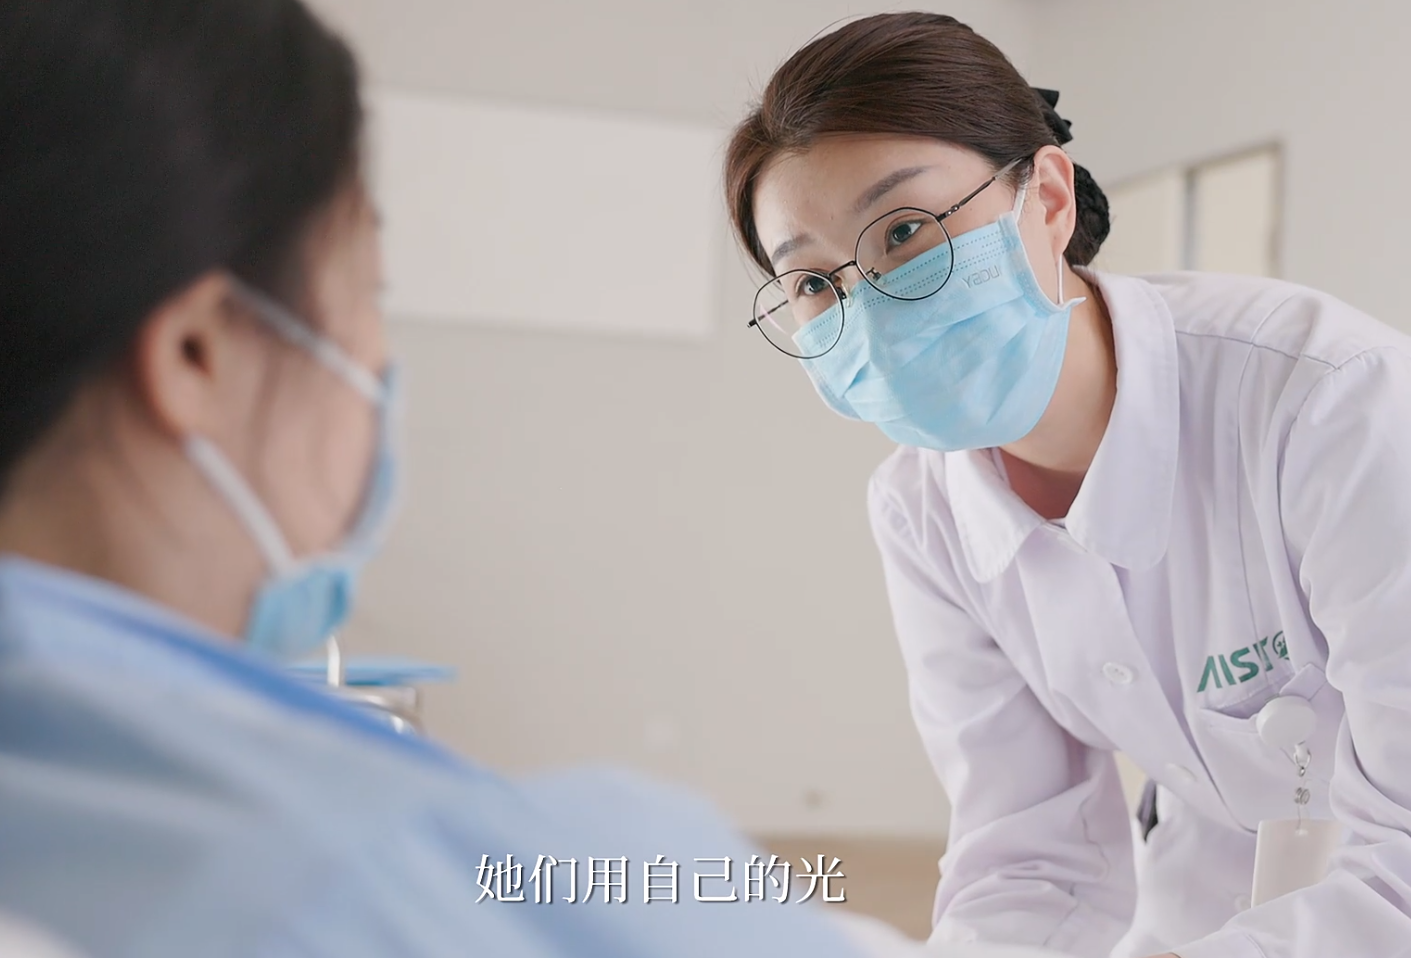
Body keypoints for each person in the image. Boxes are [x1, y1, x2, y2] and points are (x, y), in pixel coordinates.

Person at [0, 3, 1023, 957]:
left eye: (905, 233)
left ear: (1047, 199)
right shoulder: (413, 878)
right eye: (368, 295)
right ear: (198, 354)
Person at [723, 11, 1411, 958]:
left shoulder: (1334, 401)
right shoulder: (920, 510)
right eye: (814, 284)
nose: (873, 305)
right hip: (1220, 885)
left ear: (1048, 200)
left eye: (905, 231)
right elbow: (1030, 862)